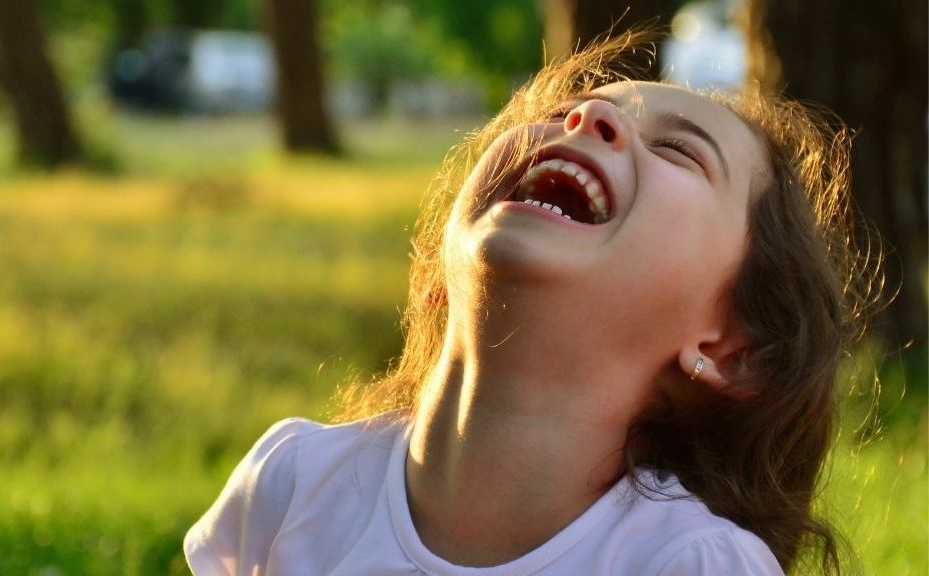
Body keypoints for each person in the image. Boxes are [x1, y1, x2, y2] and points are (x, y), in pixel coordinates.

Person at [184, 30, 878, 575]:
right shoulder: (292, 485)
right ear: (435, 274)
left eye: (676, 150)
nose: (590, 115)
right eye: (559, 114)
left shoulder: (688, 564)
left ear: (728, 345)